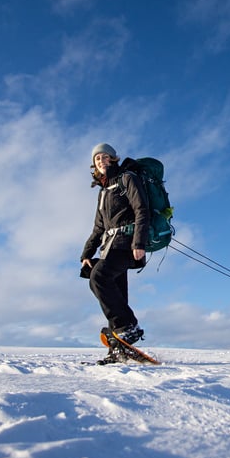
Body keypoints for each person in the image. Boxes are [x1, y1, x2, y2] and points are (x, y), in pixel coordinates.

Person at [80, 143, 150, 362]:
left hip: (127, 243)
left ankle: (128, 326)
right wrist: (86, 254)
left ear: (113, 158)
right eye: (97, 159)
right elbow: (98, 228)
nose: (101, 161)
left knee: (98, 278)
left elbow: (142, 209)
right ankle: (119, 350)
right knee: (116, 295)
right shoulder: (103, 192)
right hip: (110, 244)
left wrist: (139, 242)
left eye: (104, 156)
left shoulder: (127, 178)